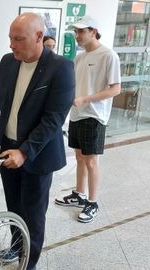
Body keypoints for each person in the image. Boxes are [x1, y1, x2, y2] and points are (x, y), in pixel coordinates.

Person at [0, 13, 75, 270]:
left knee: (33, 215)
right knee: (14, 208)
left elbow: (53, 120)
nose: (12, 44)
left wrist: (24, 151)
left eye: (18, 39)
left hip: (37, 155)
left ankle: (28, 263)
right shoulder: (8, 62)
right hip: (7, 150)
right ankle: (16, 247)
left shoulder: (61, 68)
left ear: (39, 37)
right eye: (10, 38)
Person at [55, 16, 121, 223]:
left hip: (94, 115)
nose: (77, 35)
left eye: (81, 31)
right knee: (80, 157)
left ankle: (93, 202)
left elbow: (115, 89)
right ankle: (79, 194)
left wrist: (86, 99)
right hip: (77, 114)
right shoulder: (80, 57)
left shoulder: (109, 55)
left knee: (91, 160)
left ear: (94, 31)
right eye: (76, 31)